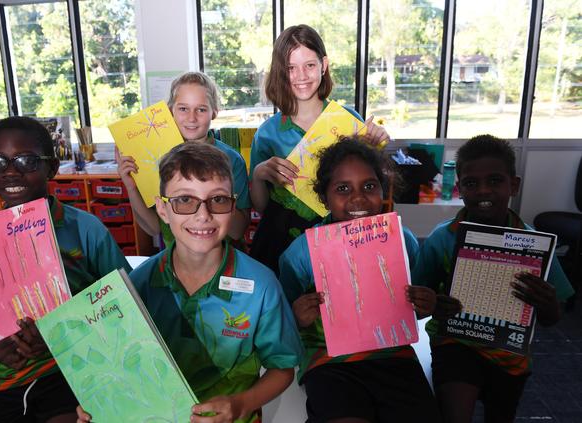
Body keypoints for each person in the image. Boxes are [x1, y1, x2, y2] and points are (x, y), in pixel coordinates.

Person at [77, 142, 302, 423]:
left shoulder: (261, 285)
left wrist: (241, 403)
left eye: (217, 200)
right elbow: (118, 363)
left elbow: (282, 368)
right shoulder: (138, 285)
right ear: (162, 209)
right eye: (185, 200)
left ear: (233, 206)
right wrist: (98, 400)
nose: (203, 215)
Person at [0, 116, 131, 423]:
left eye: (26, 160)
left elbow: (125, 302)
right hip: (15, 373)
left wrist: (63, 335)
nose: (11, 171)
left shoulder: (85, 229)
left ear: (52, 168)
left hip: (80, 362)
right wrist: (0, 344)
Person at [411, 134, 575, 423]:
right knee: (454, 413)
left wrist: (547, 303)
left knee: (502, 415)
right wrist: (435, 304)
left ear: (514, 184)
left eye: (495, 181)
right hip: (455, 343)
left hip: (509, 352)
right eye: (472, 184)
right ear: (460, 189)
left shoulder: (536, 244)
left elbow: (552, 317)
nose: (484, 191)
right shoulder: (442, 238)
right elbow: (416, 300)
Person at [279, 136, 441, 423]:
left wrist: (422, 305)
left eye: (369, 186)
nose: (358, 198)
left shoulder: (402, 240)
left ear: (383, 189)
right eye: (343, 188)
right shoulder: (301, 253)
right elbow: (284, 324)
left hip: (393, 356)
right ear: (324, 198)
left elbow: (407, 309)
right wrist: (297, 317)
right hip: (330, 360)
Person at [249, 24, 388, 274]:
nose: (301, 76)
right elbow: (261, 207)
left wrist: (377, 147)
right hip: (279, 242)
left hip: (339, 239)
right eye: (291, 68)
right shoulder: (267, 133)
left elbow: (371, 188)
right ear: (281, 72)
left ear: (323, 65)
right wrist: (260, 173)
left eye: (309, 65)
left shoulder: (348, 120)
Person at [117, 71, 251, 246]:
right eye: (183, 109)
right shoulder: (157, 158)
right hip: (176, 260)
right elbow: (154, 228)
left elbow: (238, 230)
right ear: (170, 111)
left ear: (214, 112)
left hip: (224, 258)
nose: (191, 118)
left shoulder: (231, 160)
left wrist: (217, 198)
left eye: (201, 109)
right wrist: (131, 187)